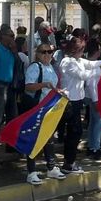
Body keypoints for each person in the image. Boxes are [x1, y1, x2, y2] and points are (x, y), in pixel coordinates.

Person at [57, 37, 101, 174]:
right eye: (81, 49)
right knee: (73, 132)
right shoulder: (68, 62)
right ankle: (68, 164)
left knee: (75, 132)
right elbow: (84, 75)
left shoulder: (79, 60)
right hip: (69, 101)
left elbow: (90, 64)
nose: (83, 52)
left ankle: (69, 162)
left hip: (77, 100)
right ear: (74, 49)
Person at [22, 42, 63, 184]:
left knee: (48, 138)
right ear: (37, 54)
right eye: (43, 52)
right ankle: (31, 171)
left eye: (49, 52)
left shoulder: (51, 67)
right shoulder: (35, 67)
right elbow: (28, 86)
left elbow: (53, 87)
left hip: (49, 108)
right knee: (34, 139)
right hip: (37, 108)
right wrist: (44, 85)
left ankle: (51, 167)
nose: (47, 55)